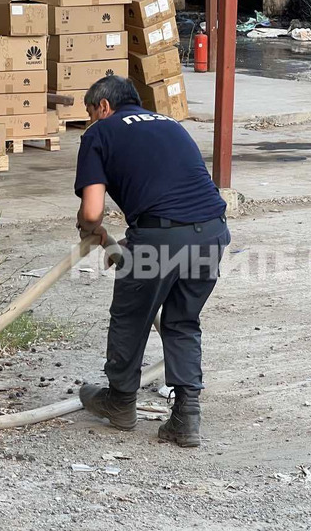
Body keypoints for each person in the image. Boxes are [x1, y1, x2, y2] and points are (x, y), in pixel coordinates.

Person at [74, 76, 231, 448]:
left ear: (104, 107)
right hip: (211, 232)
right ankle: (186, 416)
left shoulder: (100, 134)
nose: (91, 121)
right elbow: (176, 194)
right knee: (181, 321)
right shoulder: (170, 125)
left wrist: (88, 228)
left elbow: (93, 211)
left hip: (160, 239)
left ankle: (121, 402)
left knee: (131, 316)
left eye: (91, 113)